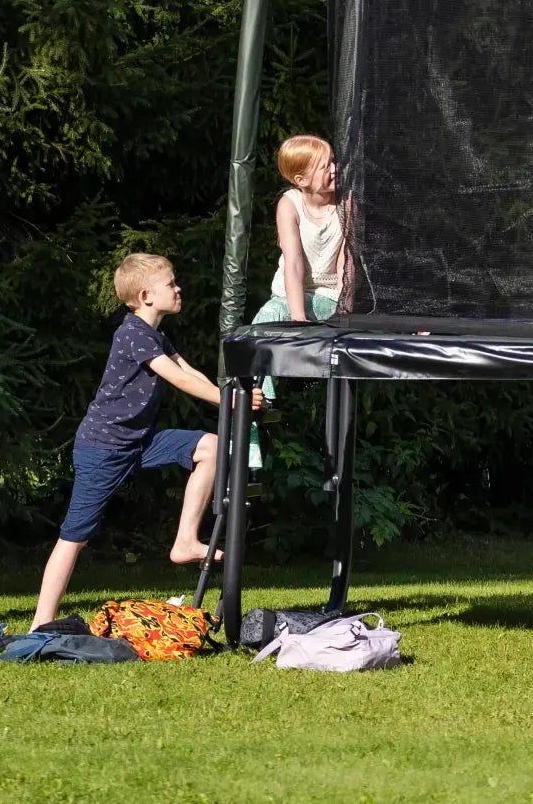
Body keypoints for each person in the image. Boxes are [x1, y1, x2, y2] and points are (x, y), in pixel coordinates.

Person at [30, 253, 260, 631]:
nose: (178, 288)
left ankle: (185, 540)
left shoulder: (155, 334)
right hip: (104, 448)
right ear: (146, 295)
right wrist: (230, 401)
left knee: (213, 447)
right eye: (170, 284)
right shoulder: (132, 333)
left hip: (140, 440)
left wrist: (230, 394)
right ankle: (41, 622)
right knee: (75, 537)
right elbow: (177, 379)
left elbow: (190, 371)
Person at [250, 134, 350, 325]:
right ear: (302, 180)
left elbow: (345, 261)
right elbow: (293, 262)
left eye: (333, 162)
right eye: (325, 167)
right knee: (270, 316)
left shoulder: (347, 203)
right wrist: (298, 317)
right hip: (290, 295)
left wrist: (344, 308)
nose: (335, 169)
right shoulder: (289, 205)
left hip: (330, 295)